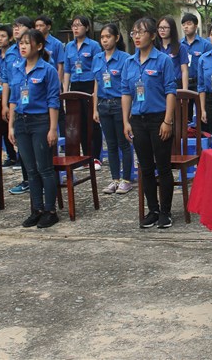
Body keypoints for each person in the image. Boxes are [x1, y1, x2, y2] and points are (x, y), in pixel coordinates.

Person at [122, 17, 177, 229]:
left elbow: (170, 91)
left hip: (158, 119)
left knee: (163, 167)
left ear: (153, 36)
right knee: (145, 167)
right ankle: (152, 210)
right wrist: (126, 121)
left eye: (141, 32)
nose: (136, 36)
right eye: (134, 33)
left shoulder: (163, 60)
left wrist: (167, 121)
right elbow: (126, 93)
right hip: (138, 120)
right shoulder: (129, 62)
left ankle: (165, 212)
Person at [7, 29, 61, 229]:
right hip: (21, 122)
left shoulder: (48, 70)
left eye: (27, 43)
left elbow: (53, 101)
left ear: (39, 46)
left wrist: (52, 128)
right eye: (20, 43)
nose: (22, 47)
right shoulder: (17, 68)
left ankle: (50, 211)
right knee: (30, 170)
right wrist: (11, 126)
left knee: (44, 168)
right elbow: (13, 99)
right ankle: (36, 210)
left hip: (40, 122)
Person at [92, 24, 134, 195]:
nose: (104, 40)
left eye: (108, 37)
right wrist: (95, 108)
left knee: (123, 143)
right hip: (103, 104)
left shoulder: (125, 58)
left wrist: (128, 111)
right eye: (102, 37)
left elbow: (129, 86)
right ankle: (115, 179)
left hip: (119, 104)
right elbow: (96, 84)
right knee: (110, 144)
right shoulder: (97, 58)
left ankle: (127, 180)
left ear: (116, 38)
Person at [64, 15, 103, 169]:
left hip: (89, 85)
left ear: (86, 28)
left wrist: (95, 91)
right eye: (73, 25)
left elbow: (98, 70)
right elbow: (67, 70)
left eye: (79, 25)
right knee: (78, 123)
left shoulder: (94, 45)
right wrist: (65, 91)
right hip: (75, 85)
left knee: (92, 122)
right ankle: (85, 156)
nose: (76, 28)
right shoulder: (69, 46)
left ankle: (96, 157)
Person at [1, 16, 35, 195]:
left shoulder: (37, 50)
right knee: (21, 145)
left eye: (20, 26)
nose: (16, 29)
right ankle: (27, 179)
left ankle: (40, 179)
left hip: (35, 106)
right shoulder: (11, 53)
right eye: (14, 26)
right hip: (17, 102)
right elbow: (7, 80)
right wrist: (5, 104)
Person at [0, 25, 17, 167]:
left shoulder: (14, 54)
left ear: (10, 38)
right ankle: (11, 156)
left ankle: (21, 155)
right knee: (2, 126)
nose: (0, 39)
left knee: (14, 124)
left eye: (3, 36)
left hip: (12, 92)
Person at [180, 13, 212, 94]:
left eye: (189, 24)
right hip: (182, 83)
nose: (186, 27)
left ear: (195, 26)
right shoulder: (179, 44)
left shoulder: (206, 44)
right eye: (183, 25)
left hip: (199, 83)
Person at [156, 15, 189, 90]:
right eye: (160, 27)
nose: (162, 30)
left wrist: (185, 90)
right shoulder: (156, 48)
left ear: (172, 29)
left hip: (176, 84)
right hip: (159, 84)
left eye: (165, 27)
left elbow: (184, 70)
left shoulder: (180, 47)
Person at [35, 15, 65, 82]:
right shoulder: (34, 44)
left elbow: (60, 66)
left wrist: (58, 83)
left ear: (48, 27)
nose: (38, 28)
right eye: (36, 26)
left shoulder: (57, 44)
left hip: (52, 79)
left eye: (41, 26)